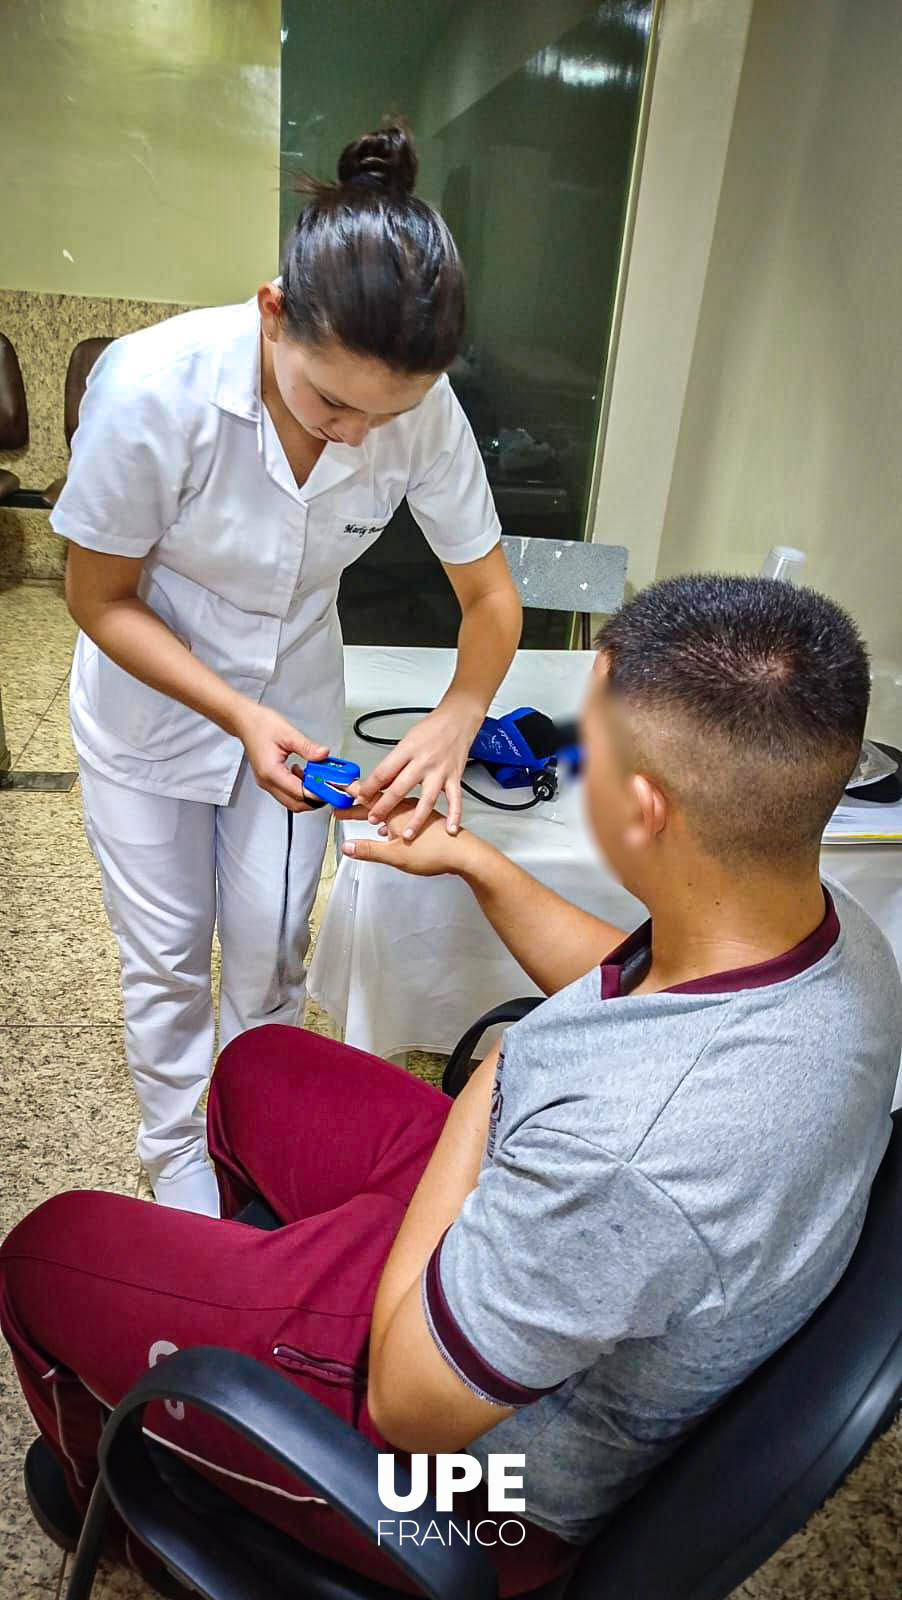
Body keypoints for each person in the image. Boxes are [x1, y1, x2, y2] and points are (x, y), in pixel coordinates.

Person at [2, 576, 900, 1598]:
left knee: (47, 1252)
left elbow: (408, 1404)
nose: (572, 763)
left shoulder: (632, 1152)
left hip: (477, 1459)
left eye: (584, 752)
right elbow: (639, 985)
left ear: (645, 809)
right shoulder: (832, 942)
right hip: (535, 1246)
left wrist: (491, 1086)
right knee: (259, 1068)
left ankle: (129, 1511)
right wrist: (476, 862)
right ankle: (259, 1304)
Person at [51, 121, 521, 1216]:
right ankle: (177, 1154)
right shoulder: (153, 388)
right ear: (273, 311)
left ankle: (255, 1128)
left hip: (299, 699)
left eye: (388, 413)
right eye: (332, 405)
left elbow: (488, 596)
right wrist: (232, 714)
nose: (360, 436)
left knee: (268, 952)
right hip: (151, 704)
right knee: (168, 956)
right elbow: (96, 597)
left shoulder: (417, 409)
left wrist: (461, 709)